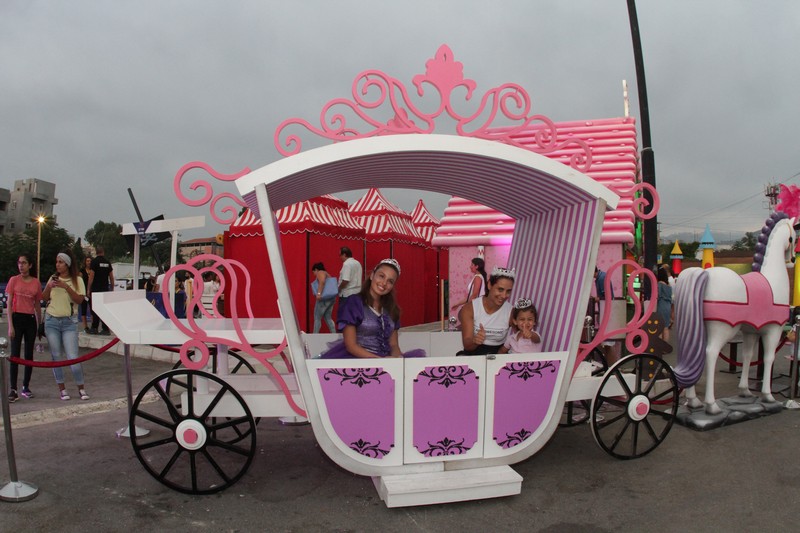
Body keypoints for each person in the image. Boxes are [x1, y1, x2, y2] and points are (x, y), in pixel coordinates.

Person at [321, 259, 424, 359]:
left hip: (386, 361)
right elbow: (351, 346)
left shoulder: (392, 309)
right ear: (372, 275)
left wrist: (398, 359)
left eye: (390, 281)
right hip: (359, 360)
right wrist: (380, 360)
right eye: (381, 276)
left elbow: (393, 345)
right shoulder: (354, 303)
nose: (384, 283)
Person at [42, 250, 90, 401]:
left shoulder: (77, 280)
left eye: (61, 262)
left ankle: (81, 388)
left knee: (72, 356)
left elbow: (80, 300)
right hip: (52, 320)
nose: (57, 265)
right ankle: (62, 389)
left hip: (69, 322)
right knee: (56, 356)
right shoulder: (53, 278)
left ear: (67, 264)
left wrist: (66, 287)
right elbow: (43, 297)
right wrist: (49, 286)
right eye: (57, 262)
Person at [6, 253, 43, 402]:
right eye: (19, 263)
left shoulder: (36, 283)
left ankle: (25, 386)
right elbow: (9, 303)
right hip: (17, 318)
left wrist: (40, 324)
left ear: (30, 265)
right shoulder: (13, 280)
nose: (21, 265)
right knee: (15, 355)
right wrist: (10, 325)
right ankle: (13, 389)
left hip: (30, 320)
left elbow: (37, 305)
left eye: (24, 263)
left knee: (29, 355)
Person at [457, 266, 515, 355]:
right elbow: (467, 345)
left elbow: (522, 338)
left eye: (508, 291)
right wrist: (475, 341)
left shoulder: (511, 312)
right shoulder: (470, 308)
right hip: (473, 356)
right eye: (500, 289)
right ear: (489, 285)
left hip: (499, 357)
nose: (504, 296)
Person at [88, 246, 114, 335]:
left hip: (96, 289)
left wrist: (88, 289)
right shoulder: (107, 262)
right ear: (103, 252)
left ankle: (94, 328)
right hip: (105, 289)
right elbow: (111, 277)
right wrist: (112, 288)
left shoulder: (94, 262)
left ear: (96, 252)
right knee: (104, 309)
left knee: (95, 309)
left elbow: (91, 277)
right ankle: (105, 329)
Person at [311, 262, 336, 333]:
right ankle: (333, 333)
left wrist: (319, 293)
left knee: (317, 317)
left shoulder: (320, 272)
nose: (314, 274)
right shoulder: (327, 274)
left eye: (313, 272)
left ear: (316, 269)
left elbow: (322, 281)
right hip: (331, 298)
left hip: (323, 298)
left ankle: (315, 335)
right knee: (328, 317)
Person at [656, 267, 673, 341]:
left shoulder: (659, 284)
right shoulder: (668, 285)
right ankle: (665, 345)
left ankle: (659, 345)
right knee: (666, 327)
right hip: (668, 306)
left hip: (661, 305)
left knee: (659, 327)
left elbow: (658, 296)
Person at [79, 256, 92, 333]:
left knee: (92, 309)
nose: (89, 262)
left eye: (90, 261)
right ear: (85, 262)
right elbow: (80, 282)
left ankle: (93, 326)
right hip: (83, 292)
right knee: (83, 309)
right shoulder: (82, 271)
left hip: (91, 292)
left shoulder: (93, 270)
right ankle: (85, 327)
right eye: (87, 261)